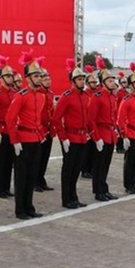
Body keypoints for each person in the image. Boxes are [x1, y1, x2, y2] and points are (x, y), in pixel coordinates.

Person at [6, 51, 46, 219]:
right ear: (28, 78)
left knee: (31, 176)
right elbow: (10, 118)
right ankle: (20, 209)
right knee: (21, 177)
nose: (39, 78)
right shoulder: (20, 96)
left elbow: (38, 119)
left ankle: (29, 206)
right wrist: (15, 141)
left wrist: (42, 134)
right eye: (35, 75)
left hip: (36, 140)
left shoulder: (41, 96)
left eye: (40, 75)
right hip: (23, 140)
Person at [53, 59, 92, 208]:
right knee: (68, 169)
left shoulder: (85, 96)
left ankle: (74, 197)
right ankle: (66, 199)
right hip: (70, 138)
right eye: (79, 79)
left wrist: (89, 133)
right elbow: (56, 119)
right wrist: (63, 138)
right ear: (73, 81)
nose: (82, 82)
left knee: (76, 169)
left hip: (82, 138)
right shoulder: (67, 96)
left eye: (83, 79)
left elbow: (86, 117)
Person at [89, 57, 119, 201]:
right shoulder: (97, 97)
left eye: (113, 80)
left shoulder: (112, 97)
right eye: (109, 81)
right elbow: (91, 119)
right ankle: (98, 191)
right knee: (99, 165)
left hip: (110, 134)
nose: (112, 82)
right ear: (103, 83)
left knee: (106, 164)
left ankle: (104, 189)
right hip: (101, 134)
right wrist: (96, 138)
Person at [118, 63, 135, 194]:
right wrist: (124, 136)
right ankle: (128, 185)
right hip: (131, 134)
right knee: (129, 162)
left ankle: (134, 182)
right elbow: (120, 120)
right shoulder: (126, 100)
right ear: (131, 85)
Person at [0, 57, 16, 198]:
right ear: (1, 78)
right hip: (1, 131)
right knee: (1, 162)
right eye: (7, 76)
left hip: (12, 132)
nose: (10, 78)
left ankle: (6, 187)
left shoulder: (15, 93)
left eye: (11, 75)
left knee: (9, 162)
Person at [36, 66, 56, 193]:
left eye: (49, 78)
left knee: (44, 158)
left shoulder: (50, 93)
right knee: (37, 158)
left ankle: (41, 180)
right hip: (40, 129)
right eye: (45, 79)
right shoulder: (38, 93)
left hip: (48, 129)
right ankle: (35, 182)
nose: (48, 81)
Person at [80, 67, 99, 179]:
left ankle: (91, 168)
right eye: (92, 82)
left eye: (95, 82)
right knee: (86, 150)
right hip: (86, 126)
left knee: (94, 149)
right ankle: (85, 170)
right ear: (87, 83)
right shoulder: (85, 94)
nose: (94, 84)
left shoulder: (97, 94)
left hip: (95, 125)